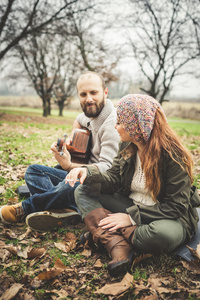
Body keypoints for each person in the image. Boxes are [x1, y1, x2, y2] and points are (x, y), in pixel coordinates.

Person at [66, 94, 200, 277]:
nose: (116, 126)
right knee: (84, 190)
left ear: (136, 126)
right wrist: (88, 173)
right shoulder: (127, 146)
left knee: (161, 236)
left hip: (169, 217)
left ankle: (103, 234)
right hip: (132, 204)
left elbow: (175, 207)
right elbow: (112, 179)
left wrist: (130, 217)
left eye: (120, 122)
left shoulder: (174, 157)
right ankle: (118, 244)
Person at [0, 71, 120, 231]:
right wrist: (73, 139)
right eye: (83, 94)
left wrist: (69, 166)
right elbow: (78, 119)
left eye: (94, 93)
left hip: (100, 184)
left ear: (105, 92)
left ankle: (25, 208)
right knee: (33, 171)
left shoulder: (112, 124)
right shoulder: (94, 113)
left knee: (72, 184)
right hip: (83, 176)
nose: (89, 99)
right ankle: (69, 208)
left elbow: (108, 170)